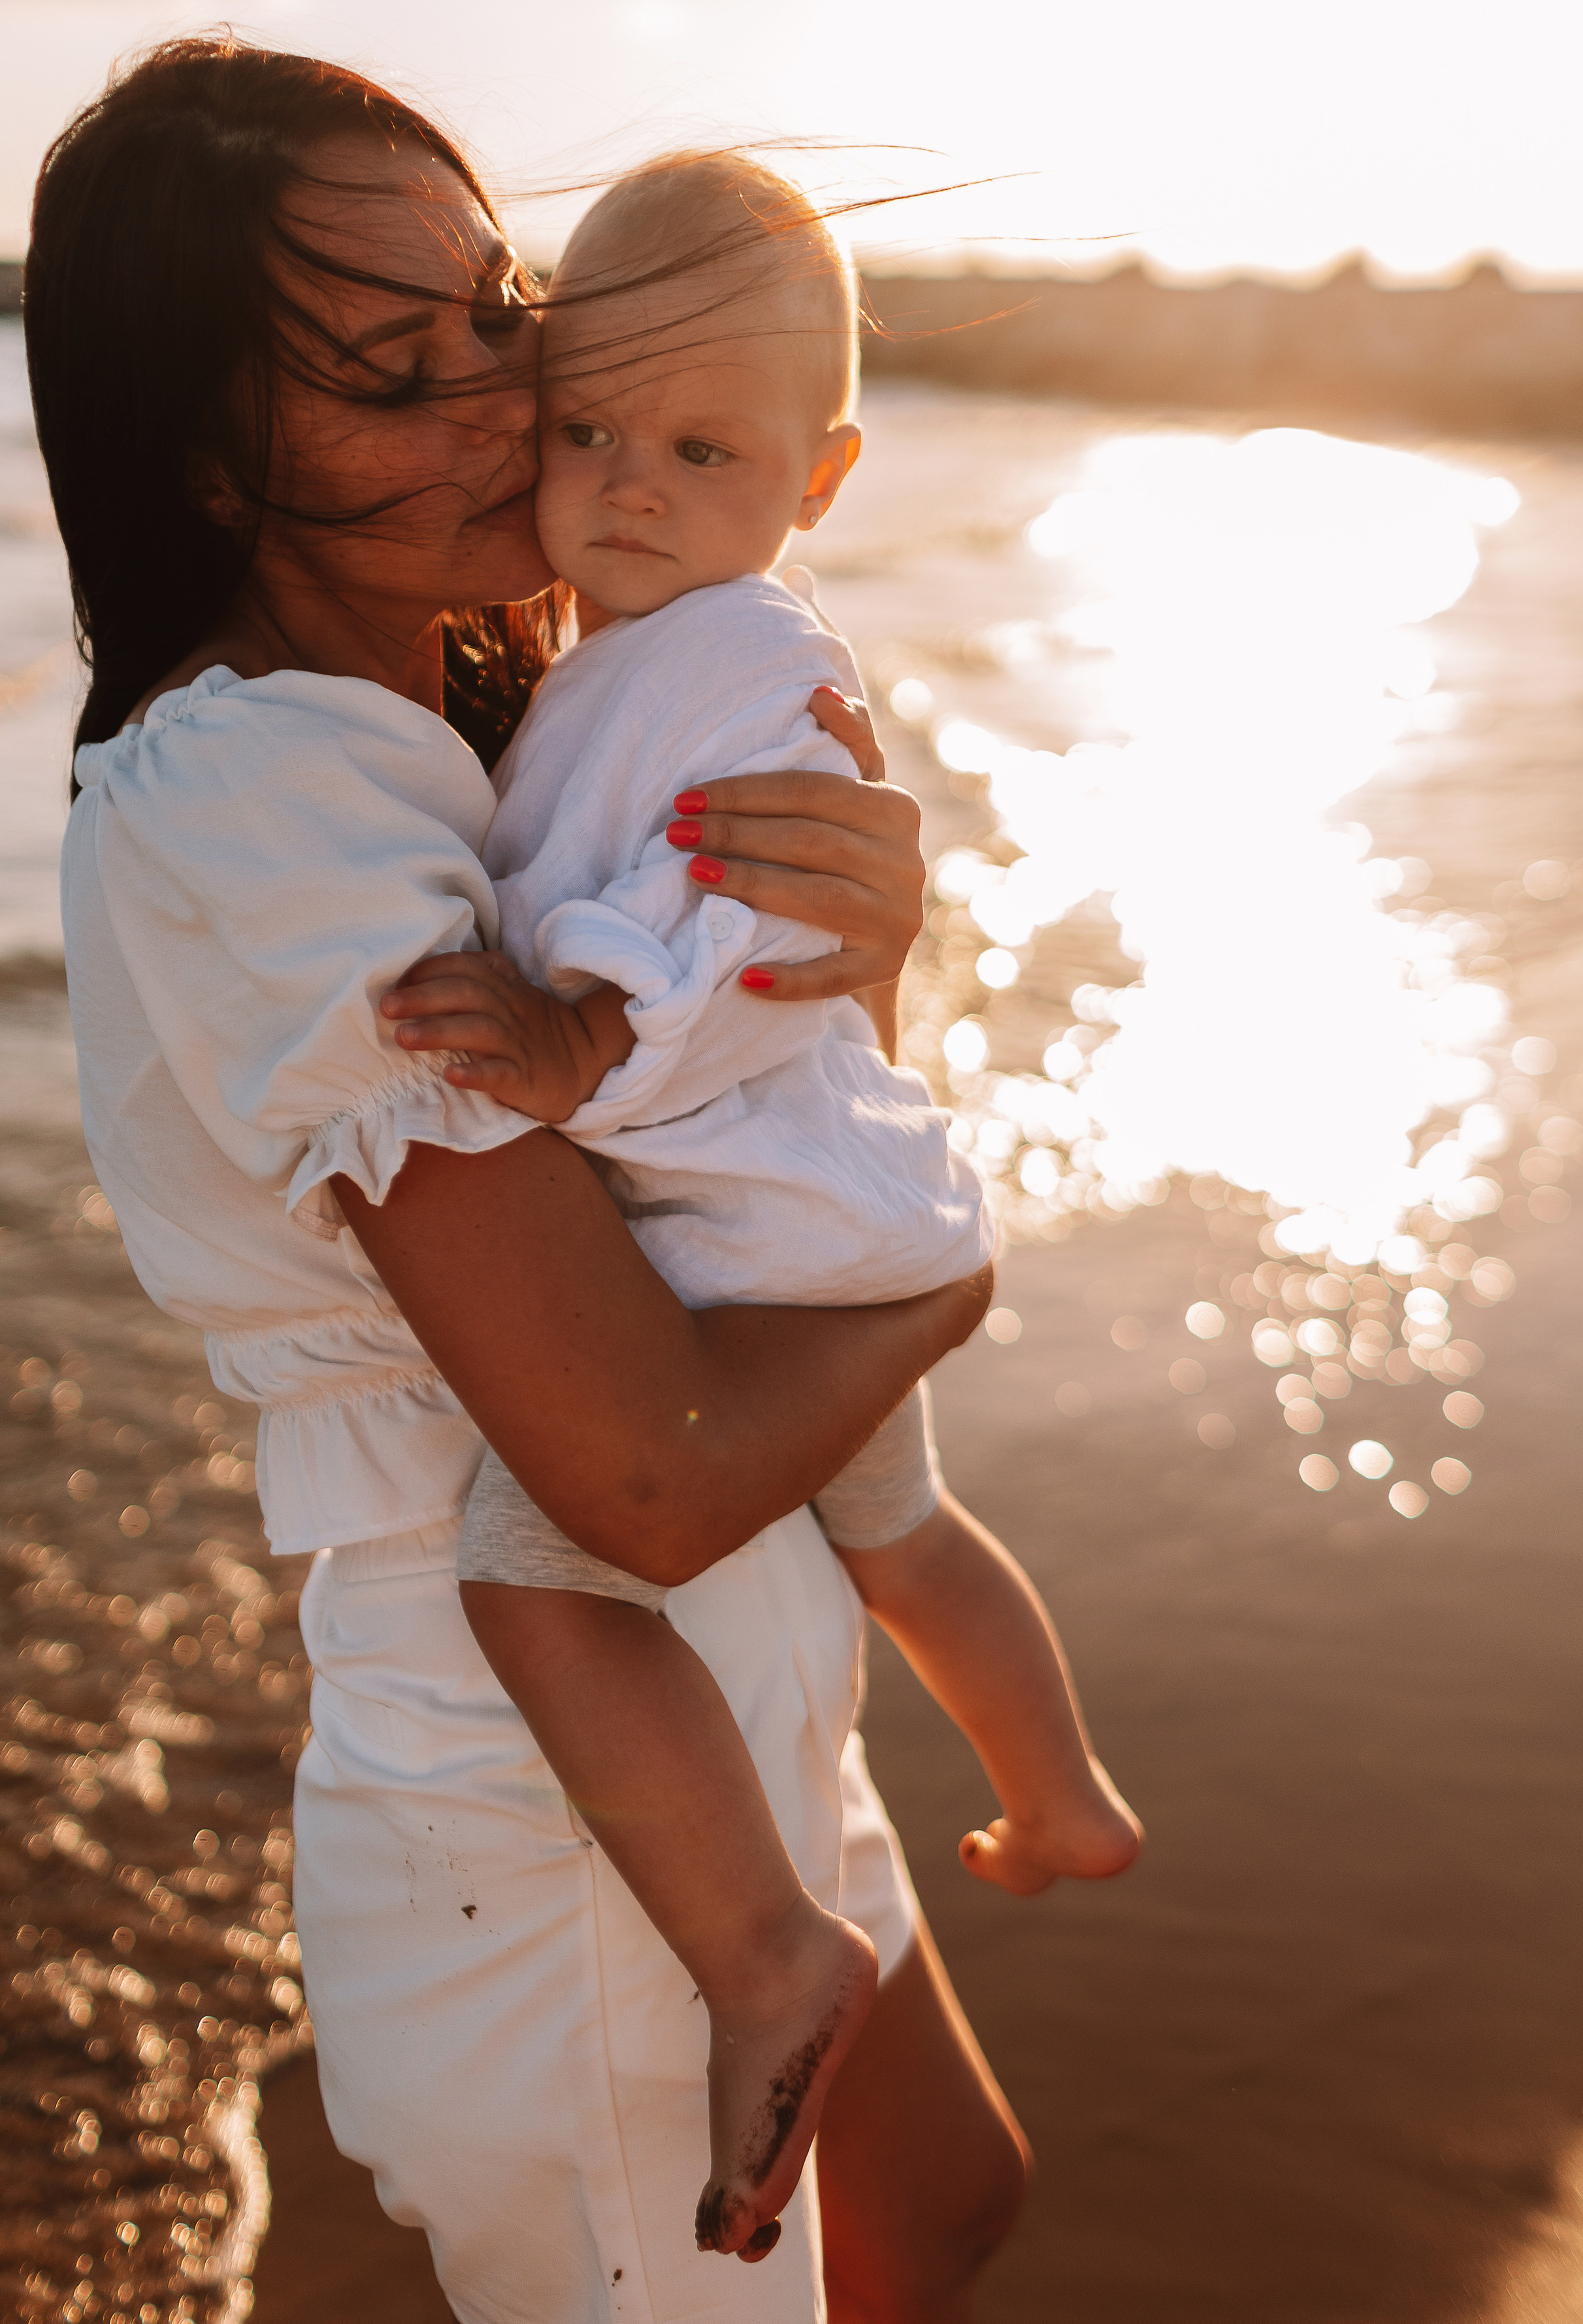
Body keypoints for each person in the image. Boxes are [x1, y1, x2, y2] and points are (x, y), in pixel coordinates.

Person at [31, 37, 1026, 2323]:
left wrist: (843, 973)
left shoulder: (524, 724)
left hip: (713, 1661)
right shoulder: (262, 792)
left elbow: (702, 1178)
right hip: (553, 1776)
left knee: (947, 2209)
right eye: (397, 375)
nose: (510, 403)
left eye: (497, 313)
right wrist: (945, 1264)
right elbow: (645, 1471)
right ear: (207, 459)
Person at [385, 151, 1144, 2261]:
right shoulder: (647, 642)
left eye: (698, 450)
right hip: (825, 1206)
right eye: (585, 433)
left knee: (538, 1579)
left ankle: (761, 1956)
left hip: (757, 1239)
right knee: (902, 1531)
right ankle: (1060, 1788)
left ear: (820, 478)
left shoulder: (728, 666)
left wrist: (569, 1056)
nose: (625, 487)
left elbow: (723, 917)